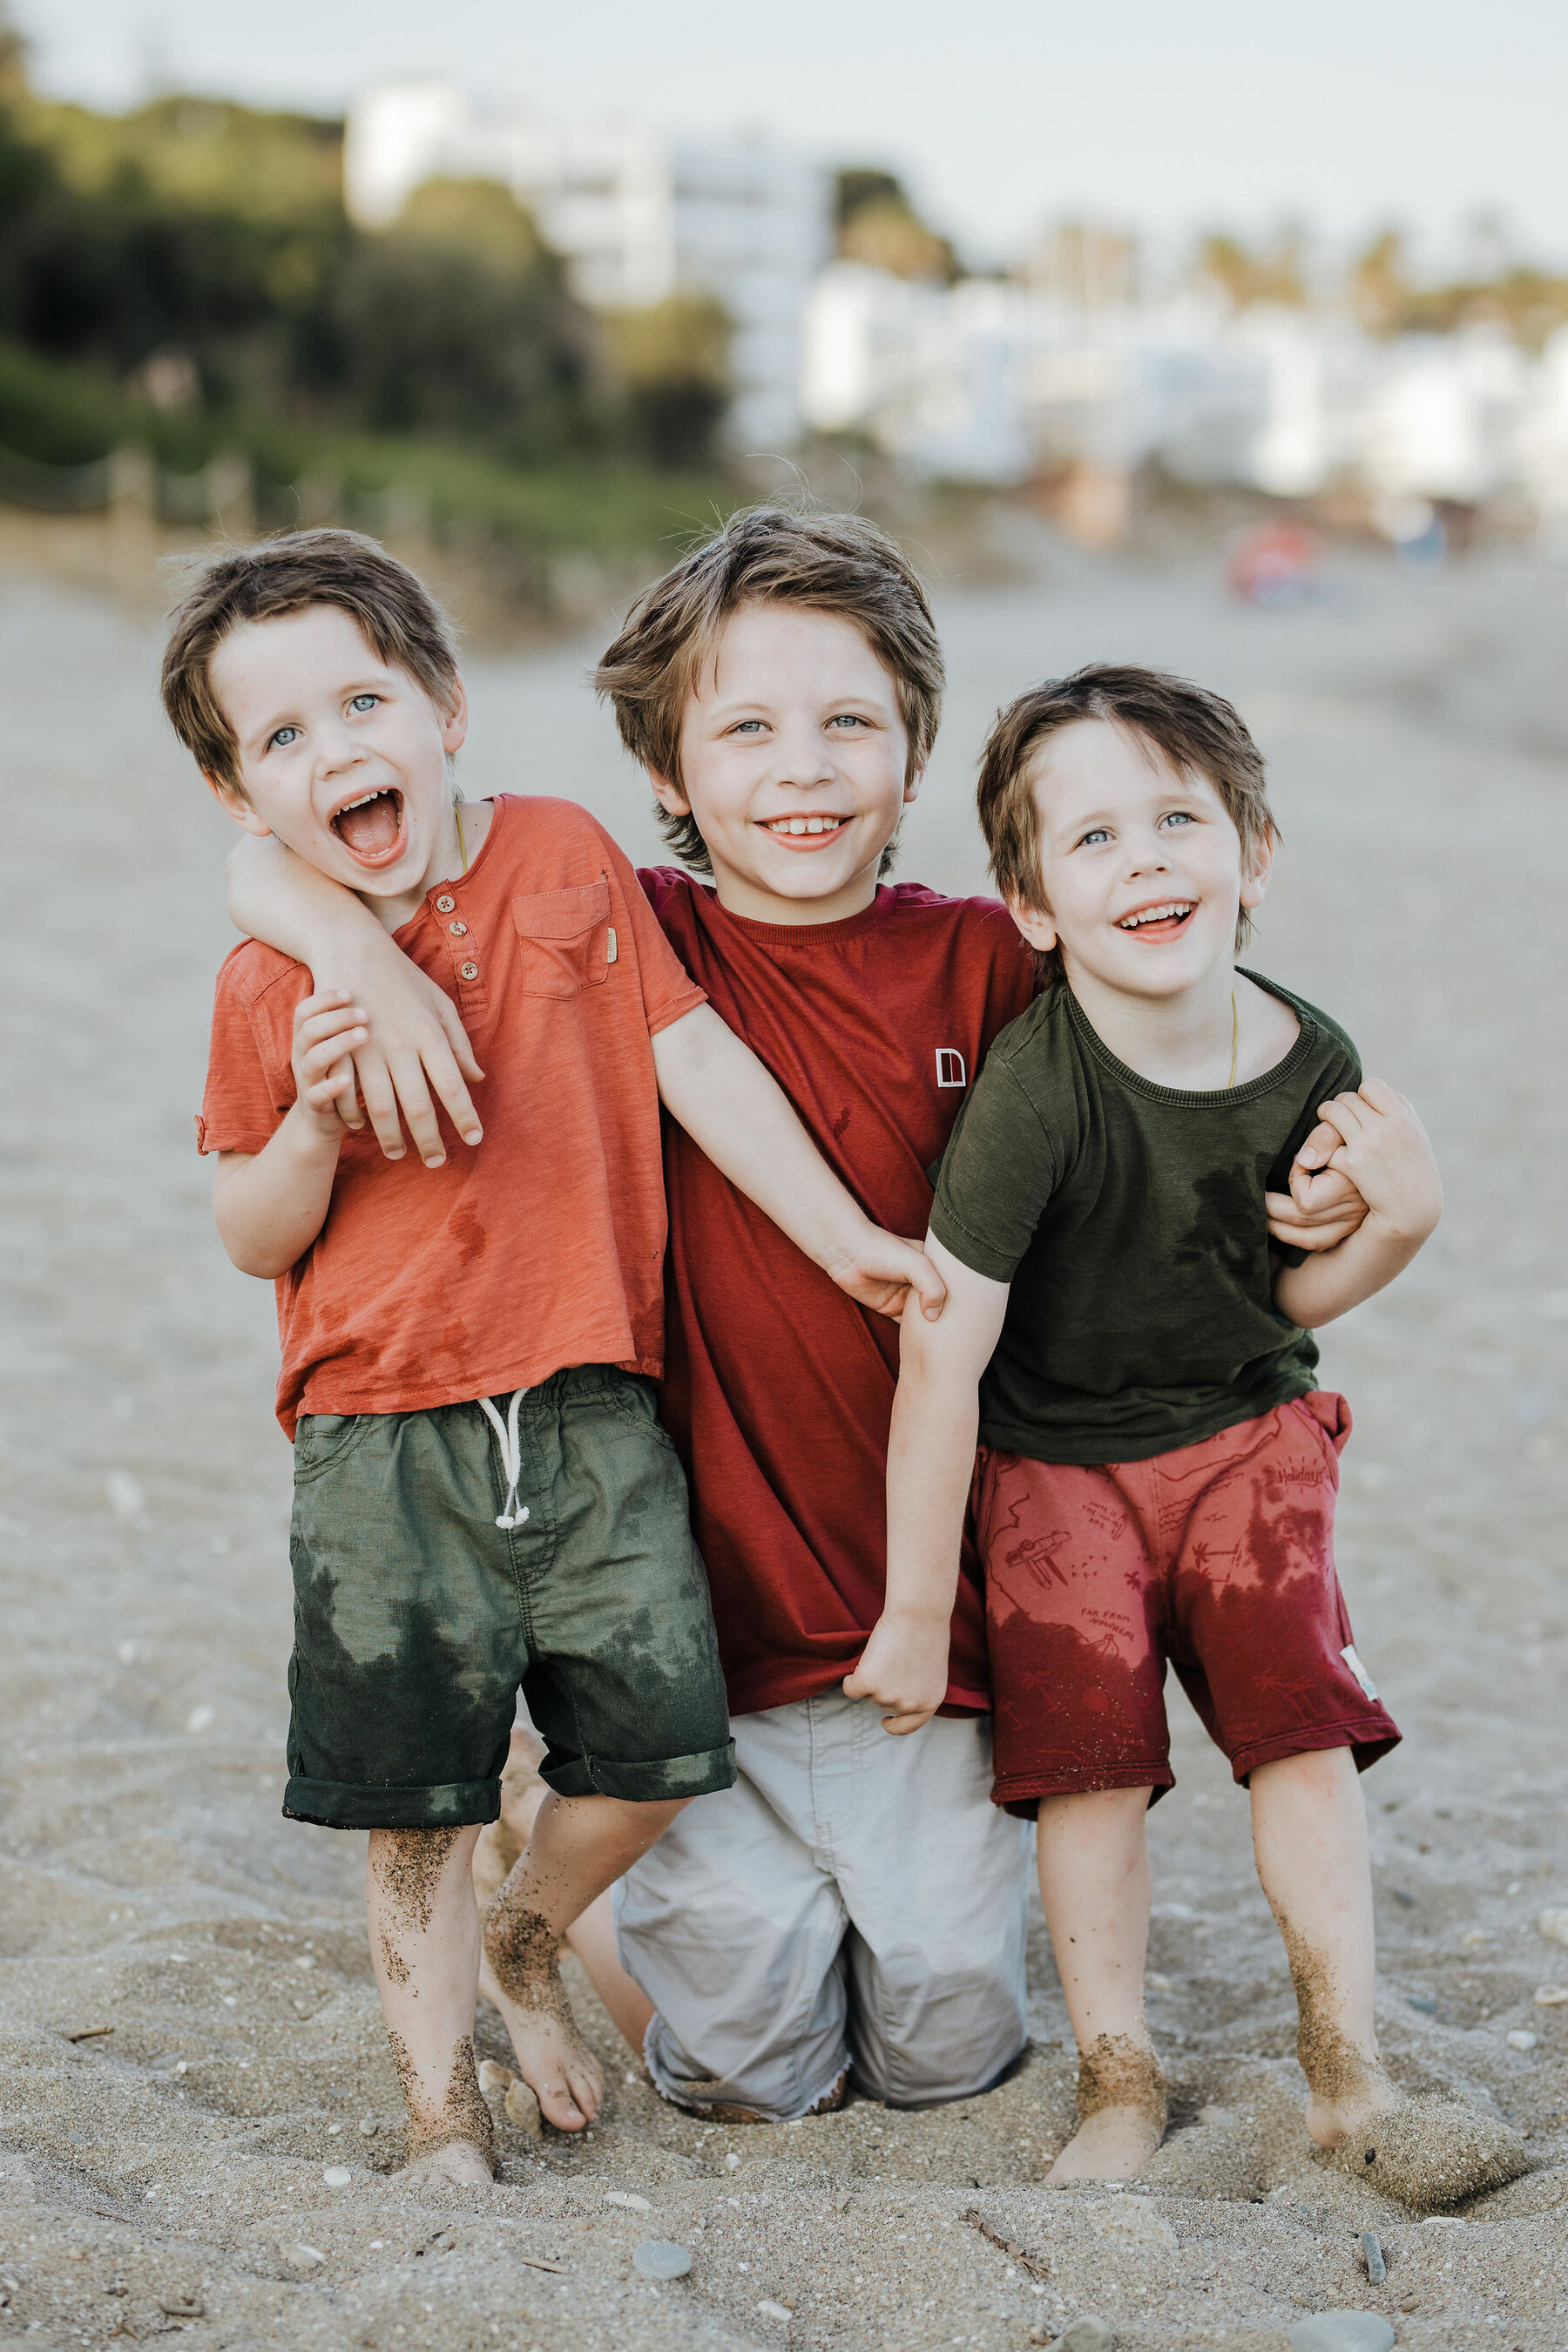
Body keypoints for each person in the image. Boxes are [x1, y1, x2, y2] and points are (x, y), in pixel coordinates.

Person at [224, 512, 1365, 2131]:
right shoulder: (625, 926)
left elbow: (1187, 1038)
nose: (803, 768)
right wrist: (345, 936)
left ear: (914, 752)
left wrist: (1347, 1195)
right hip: (717, 1632)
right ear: (671, 771)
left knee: (946, 2056)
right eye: (744, 728)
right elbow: (272, 845)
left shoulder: (994, 960)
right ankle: (567, 1891)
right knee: (750, 2082)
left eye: (849, 722)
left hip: (939, 1634)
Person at [168, 527, 943, 2180]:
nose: (336, 753)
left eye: (363, 702)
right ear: (242, 799)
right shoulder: (268, 974)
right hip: (380, 1437)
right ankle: (444, 2112)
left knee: (662, 1751)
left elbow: (695, 1060)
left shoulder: (570, 860)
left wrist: (844, 1238)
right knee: (411, 1812)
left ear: (446, 705)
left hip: (593, 1401)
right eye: (281, 741)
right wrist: (315, 1103)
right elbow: (252, 1230)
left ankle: (537, 1925)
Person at [853, 661, 1450, 2186]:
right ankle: (1119, 2075)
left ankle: (1346, 2065)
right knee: (1093, 1769)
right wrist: (920, 1607)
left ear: (1254, 852)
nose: (1148, 862)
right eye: (1097, 840)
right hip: (1059, 1469)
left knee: (1303, 1741)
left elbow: (1293, 1290)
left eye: (1179, 820)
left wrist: (1403, 1225)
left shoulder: (1312, 1056)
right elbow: (945, 1351)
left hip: (1249, 1439)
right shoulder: (1040, 1093)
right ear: (1035, 906)